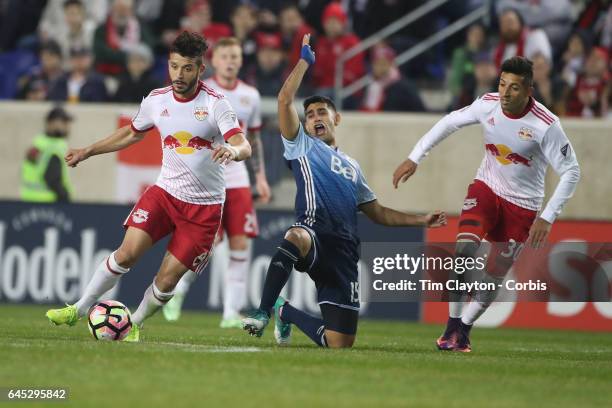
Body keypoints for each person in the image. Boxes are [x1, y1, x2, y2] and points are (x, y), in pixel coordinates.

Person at [241, 34, 447, 348]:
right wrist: (303, 63)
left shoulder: (353, 167)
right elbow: (284, 101)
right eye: (309, 116)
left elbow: (378, 212)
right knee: (295, 235)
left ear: (336, 119)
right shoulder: (301, 145)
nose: (314, 118)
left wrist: (421, 220)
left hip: (345, 252)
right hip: (313, 235)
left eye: (321, 112)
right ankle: (263, 311)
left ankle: (286, 312)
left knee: (339, 343)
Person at [45, 31, 251, 342]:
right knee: (126, 254)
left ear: (200, 70)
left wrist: (232, 151)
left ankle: (135, 324)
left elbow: (242, 144)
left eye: (186, 68)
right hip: (164, 194)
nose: (178, 75)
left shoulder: (215, 104)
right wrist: (88, 150)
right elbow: (131, 133)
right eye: (174, 66)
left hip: (204, 208)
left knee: (166, 281)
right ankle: (79, 307)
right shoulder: (156, 100)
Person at [392, 56, 581, 352]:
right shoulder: (488, 104)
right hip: (486, 190)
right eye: (502, 84)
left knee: (493, 276)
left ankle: (464, 330)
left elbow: (572, 170)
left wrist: (547, 216)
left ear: (529, 90)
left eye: (514, 88)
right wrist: (415, 156)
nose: (505, 93)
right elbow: (450, 121)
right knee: (463, 252)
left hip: (523, 207)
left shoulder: (546, 125)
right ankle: (451, 328)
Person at [163, 37, 271, 327]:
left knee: (240, 245)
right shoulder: (203, 93)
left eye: (235, 56)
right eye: (225, 56)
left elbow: (254, 138)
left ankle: (230, 313)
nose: (231, 61)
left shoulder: (251, 95)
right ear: (215, 61)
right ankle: (177, 292)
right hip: (208, 178)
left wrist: (259, 177)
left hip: (238, 179)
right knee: (205, 246)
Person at [20, 106, 74, 203]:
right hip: (48, 203)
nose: (67, 126)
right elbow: (53, 179)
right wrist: (66, 198)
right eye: (64, 122)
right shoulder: (54, 148)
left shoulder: (38, 142)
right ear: (51, 123)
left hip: (28, 200)